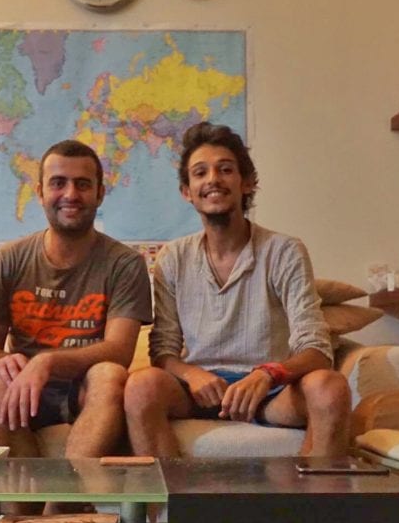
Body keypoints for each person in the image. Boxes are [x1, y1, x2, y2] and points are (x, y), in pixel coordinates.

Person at [124, 122, 350, 457]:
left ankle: (312, 492)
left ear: (247, 183)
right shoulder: (173, 257)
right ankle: (172, 494)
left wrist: (268, 374)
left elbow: (317, 349)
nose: (213, 179)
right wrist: (193, 375)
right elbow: (163, 351)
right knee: (140, 386)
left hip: (269, 391)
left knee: (330, 388)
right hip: (199, 391)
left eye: (226, 169)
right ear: (187, 191)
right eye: (200, 172)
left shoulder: (284, 251)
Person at [0, 139, 152, 463]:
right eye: (58, 183)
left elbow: (119, 351)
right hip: (24, 387)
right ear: (40, 192)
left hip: (87, 387)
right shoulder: (9, 259)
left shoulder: (125, 263)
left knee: (109, 375)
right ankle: (20, 498)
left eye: (82, 184)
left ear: (100, 193)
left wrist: (47, 362)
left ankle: (67, 494)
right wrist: (3, 362)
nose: (71, 194)